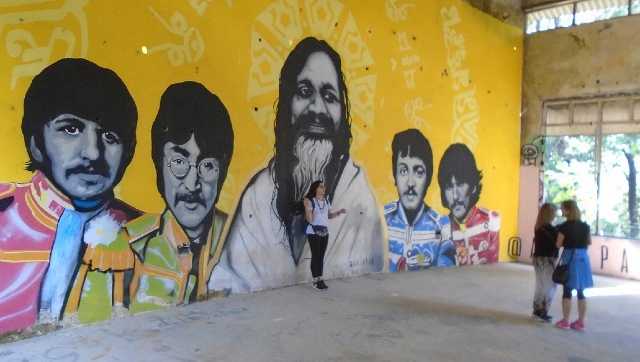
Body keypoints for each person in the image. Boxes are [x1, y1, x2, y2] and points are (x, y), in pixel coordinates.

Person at [211, 37, 383, 293]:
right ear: (286, 106)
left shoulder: (359, 203)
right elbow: (225, 289)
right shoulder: (258, 197)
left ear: (341, 114)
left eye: (329, 95)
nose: (317, 108)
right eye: (304, 92)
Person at [0, 58, 140, 333]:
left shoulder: (143, 235)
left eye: (110, 136)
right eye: (71, 129)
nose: (93, 152)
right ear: (35, 143)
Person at [124, 82, 233, 312]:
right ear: (158, 165)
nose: (193, 184)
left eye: (208, 165)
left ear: (222, 173)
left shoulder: (235, 239)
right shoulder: (131, 247)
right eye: (179, 162)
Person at [384, 129, 454, 271]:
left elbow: (447, 270)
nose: (410, 183)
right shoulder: (381, 219)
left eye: (419, 172)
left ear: (428, 179)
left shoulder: (441, 226)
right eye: (403, 171)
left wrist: (420, 259)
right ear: (394, 176)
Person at [437, 143, 500, 266]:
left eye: (460, 184)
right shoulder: (438, 226)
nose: (455, 196)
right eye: (449, 187)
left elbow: (493, 270)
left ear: (473, 187)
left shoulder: (491, 220)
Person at [554, 200, 593, 331]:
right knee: (581, 291)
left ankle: (565, 321)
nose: (561, 211)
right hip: (583, 258)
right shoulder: (585, 226)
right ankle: (580, 322)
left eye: (563, 209)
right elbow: (589, 242)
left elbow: (558, 244)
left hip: (569, 257)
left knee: (567, 290)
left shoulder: (564, 226)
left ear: (568, 210)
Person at [303, 180, 346, 290]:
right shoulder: (309, 201)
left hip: (325, 232)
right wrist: (309, 210)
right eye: (321, 187)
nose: (323, 189)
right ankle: (315, 280)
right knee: (316, 255)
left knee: (321, 256)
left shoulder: (326, 201)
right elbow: (310, 220)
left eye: (324, 187)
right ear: (315, 188)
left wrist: (338, 212)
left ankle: (320, 278)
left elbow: (328, 216)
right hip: (313, 231)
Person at [531, 203, 558, 322]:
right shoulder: (551, 229)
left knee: (540, 285)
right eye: (554, 213)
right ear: (549, 214)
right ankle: (543, 311)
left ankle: (537, 310)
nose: (555, 215)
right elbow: (558, 243)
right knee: (550, 286)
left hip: (538, 259)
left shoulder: (538, 226)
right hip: (547, 260)